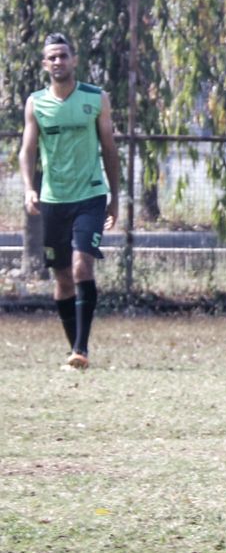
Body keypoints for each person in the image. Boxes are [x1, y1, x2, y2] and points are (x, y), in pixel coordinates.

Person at [19, 33, 121, 371]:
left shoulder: (96, 98)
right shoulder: (36, 103)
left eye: (63, 55)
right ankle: (75, 348)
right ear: (45, 64)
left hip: (90, 195)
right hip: (53, 200)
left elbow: (109, 149)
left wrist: (115, 198)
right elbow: (27, 150)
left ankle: (81, 349)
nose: (58, 61)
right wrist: (28, 188)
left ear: (74, 60)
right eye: (52, 57)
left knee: (81, 266)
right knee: (62, 278)